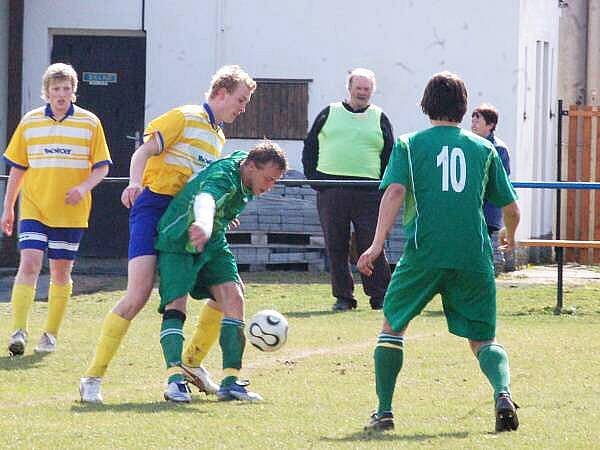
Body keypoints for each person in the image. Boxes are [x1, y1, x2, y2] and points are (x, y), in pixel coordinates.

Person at [79, 65, 256, 403]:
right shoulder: (185, 117)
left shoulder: (218, 137)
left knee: (226, 293)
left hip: (186, 216)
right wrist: (134, 183)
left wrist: (215, 214)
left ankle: (190, 365)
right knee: (138, 293)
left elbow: (202, 186)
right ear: (220, 93)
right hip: (154, 207)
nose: (242, 107)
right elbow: (143, 152)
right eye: (241, 100)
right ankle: (92, 377)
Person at [357, 71, 521, 433]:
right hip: (472, 255)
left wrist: (376, 244)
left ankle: (384, 412)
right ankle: (503, 392)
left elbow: (395, 192)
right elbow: (511, 208)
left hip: (423, 253)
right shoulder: (484, 149)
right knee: (483, 339)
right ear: (464, 109)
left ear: (424, 105)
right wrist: (509, 237)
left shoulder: (409, 144)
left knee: (393, 326)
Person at [155, 141, 287, 402]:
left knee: (234, 296)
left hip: (213, 239)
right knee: (176, 305)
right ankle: (175, 380)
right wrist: (203, 223)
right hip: (180, 238)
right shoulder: (224, 177)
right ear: (250, 166)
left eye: (275, 181)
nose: (269, 186)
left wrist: (221, 218)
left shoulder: (244, 168)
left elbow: (222, 196)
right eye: (268, 179)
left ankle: (230, 382)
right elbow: (206, 199)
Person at [1, 63, 111, 356]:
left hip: (71, 213)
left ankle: (49, 334)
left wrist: (83, 187)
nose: (61, 94)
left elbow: (101, 168)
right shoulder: (30, 122)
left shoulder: (90, 123)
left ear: (74, 92)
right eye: (55, 89)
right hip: (34, 207)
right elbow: (17, 169)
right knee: (30, 264)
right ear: (46, 92)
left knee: (60, 273)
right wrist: (8, 207)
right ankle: (19, 332)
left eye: (66, 89)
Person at [302, 68, 393, 311]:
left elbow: (389, 154)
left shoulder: (380, 117)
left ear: (372, 90)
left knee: (372, 242)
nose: (362, 92)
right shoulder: (329, 113)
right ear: (349, 88)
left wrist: (384, 184)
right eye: (358, 88)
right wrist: (315, 179)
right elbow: (310, 146)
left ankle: (380, 295)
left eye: (367, 88)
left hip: (368, 190)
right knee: (336, 244)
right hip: (332, 189)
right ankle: (343, 297)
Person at [471, 103, 512, 275]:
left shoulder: (499, 149)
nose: (473, 123)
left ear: (490, 125)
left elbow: (498, 182)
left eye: (477, 120)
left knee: (481, 247)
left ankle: (484, 276)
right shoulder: (469, 144)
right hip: (471, 207)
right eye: (472, 119)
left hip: (486, 210)